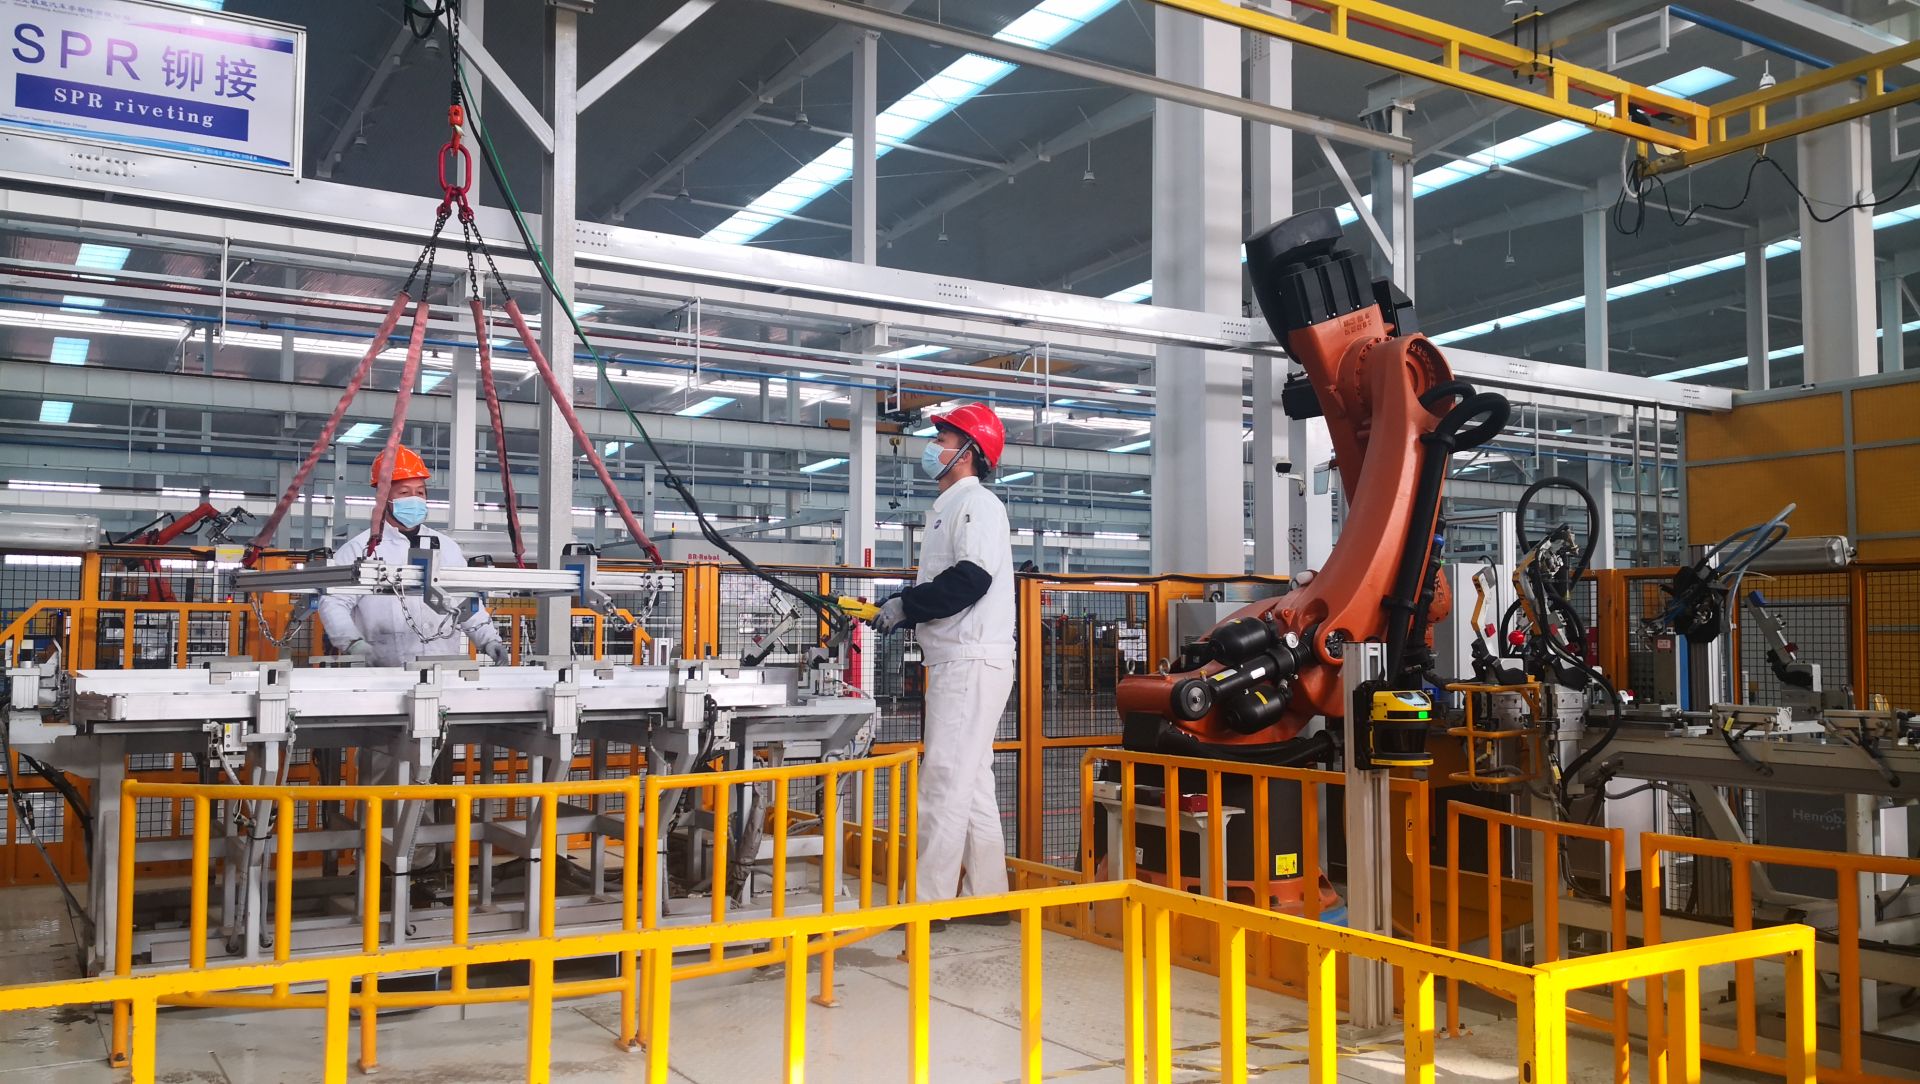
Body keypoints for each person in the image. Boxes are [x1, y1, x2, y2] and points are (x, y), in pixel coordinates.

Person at [874, 403, 1016, 913]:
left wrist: (907, 605)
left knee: (944, 781)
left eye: (944, 439)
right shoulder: (951, 508)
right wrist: (902, 606)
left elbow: (970, 580)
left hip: (968, 661)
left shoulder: (977, 504)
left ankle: (927, 903)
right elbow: (953, 582)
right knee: (971, 781)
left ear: (968, 453)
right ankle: (988, 899)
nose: (934, 447)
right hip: (961, 659)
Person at [316, 445, 510, 667]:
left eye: (420, 492)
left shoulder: (446, 547)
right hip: (384, 669)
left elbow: (465, 600)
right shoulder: (359, 549)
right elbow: (334, 602)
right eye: (404, 493)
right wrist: (353, 643)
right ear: (383, 497)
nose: (414, 499)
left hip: (444, 667)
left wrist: (489, 639)